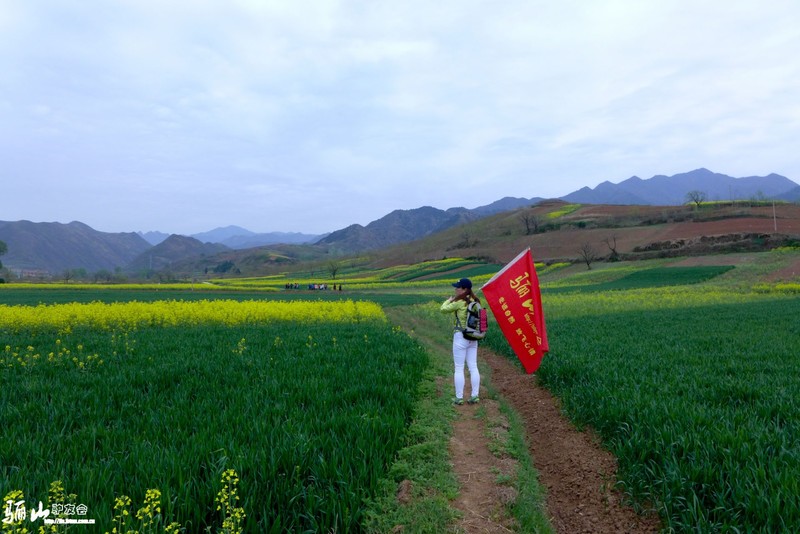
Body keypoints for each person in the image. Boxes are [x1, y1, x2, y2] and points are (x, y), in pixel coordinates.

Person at [440, 277, 481, 405]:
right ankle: (475, 396)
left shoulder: (460, 302)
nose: (455, 289)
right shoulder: (476, 301)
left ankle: (459, 398)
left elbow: (443, 309)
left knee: (459, 368)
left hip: (460, 337)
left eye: (457, 287)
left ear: (464, 289)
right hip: (473, 337)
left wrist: (448, 300)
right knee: (473, 366)